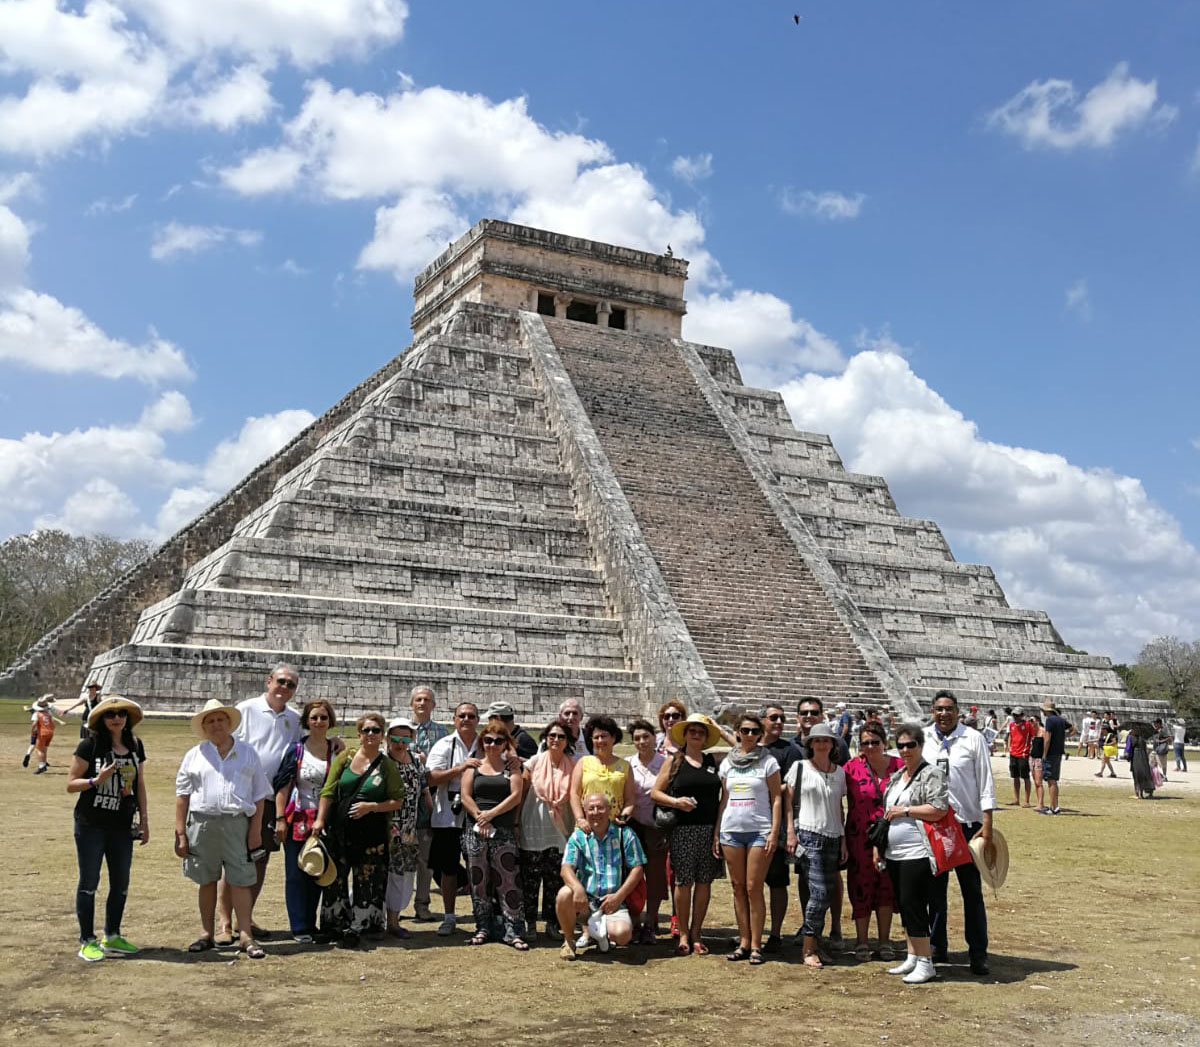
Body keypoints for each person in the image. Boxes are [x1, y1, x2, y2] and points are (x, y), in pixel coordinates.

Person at [174, 699, 271, 958]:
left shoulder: (247, 752)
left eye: (220, 720)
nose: (216, 725)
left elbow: (260, 795)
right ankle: (208, 933)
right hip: (203, 823)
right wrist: (181, 833)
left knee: (240, 880)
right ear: (204, 727)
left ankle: (246, 935)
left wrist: (255, 831)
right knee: (206, 880)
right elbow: (182, 796)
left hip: (237, 823)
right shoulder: (194, 755)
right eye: (211, 721)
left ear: (229, 724)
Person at [218, 663, 304, 941]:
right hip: (241, 797)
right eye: (281, 681)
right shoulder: (246, 710)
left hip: (270, 799)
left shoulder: (294, 718)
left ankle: (246, 919)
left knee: (259, 860)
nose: (285, 688)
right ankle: (224, 924)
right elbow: (225, 747)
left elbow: (305, 747)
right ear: (269, 682)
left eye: (291, 685)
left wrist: (335, 742)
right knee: (232, 861)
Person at [314, 713, 406, 948]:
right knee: (336, 878)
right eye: (366, 730)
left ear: (382, 735)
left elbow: (397, 800)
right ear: (359, 734)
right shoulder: (345, 758)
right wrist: (320, 820)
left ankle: (365, 926)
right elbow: (328, 790)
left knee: (368, 879)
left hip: (372, 831)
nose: (371, 735)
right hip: (341, 829)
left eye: (376, 730)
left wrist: (372, 807)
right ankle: (335, 925)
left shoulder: (387, 765)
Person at [67, 695, 148, 961]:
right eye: (110, 714)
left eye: (121, 714)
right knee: (89, 882)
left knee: (121, 882)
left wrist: (144, 820)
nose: (116, 718)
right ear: (102, 719)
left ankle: (112, 935)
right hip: (91, 823)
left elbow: (140, 785)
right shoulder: (89, 746)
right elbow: (71, 784)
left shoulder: (135, 746)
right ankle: (87, 940)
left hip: (122, 825)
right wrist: (96, 780)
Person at [923, 690, 997, 975]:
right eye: (939, 709)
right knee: (935, 892)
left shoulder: (973, 739)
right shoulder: (925, 739)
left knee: (972, 892)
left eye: (949, 709)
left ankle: (978, 951)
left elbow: (986, 784)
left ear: (958, 711)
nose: (944, 714)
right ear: (933, 711)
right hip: (936, 826)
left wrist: (987, 825)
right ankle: (936, 945)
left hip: (968, 827)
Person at [880, 722, 950, 985]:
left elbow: (939, 808)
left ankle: (926, 962)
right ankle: (913, 954)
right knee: (905, 905)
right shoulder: (899, 776)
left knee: (915, 905)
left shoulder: (931, 773)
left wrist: (906, 811)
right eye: (901, 746)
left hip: (919, 850)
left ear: (920, 745)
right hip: (895, 851)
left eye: (911, 745)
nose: (906, 750)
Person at [651, 713, 724, 956]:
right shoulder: (674, 761)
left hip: (708, 829)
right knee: (683, 882)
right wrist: (676, 801)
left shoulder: (712, 760)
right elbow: (655, 793)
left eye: (701, 731)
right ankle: (682, 932)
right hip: (683, 829)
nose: (696, 734)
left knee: (704, 882)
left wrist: (720, 730)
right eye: (692, 730)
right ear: (685, 734)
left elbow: (742, 749)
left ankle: (696, 932)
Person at [716, 713, 781, 965]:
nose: (751, 735)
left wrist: (774, 831)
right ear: (738, 732)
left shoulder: (769, 762)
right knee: (737, 887)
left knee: (754, 887)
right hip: (731, 830)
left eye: (756, 731)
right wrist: (716, 831)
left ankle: (756, 944)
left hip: (758, 830)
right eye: (746, 730)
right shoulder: (727, 764)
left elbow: (776, 797)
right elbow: (724, 799)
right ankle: (743, 941)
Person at [271, 699, 336, 943]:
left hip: (326, 819)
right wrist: (280, 818)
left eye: (323, 717)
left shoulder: (336, 750)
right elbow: (283, 784)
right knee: (297, 872)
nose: (319, 722)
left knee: (318, 871)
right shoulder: (296, 749)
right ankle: (299, 925)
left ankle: (311, 922)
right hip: (299, 816)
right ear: (307, 721)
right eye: (314, 717)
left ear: (330, 721)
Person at [460, 717, 528, 949]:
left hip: (503, 830)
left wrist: (491, 815)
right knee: (478, 881)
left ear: (505, 743)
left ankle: (513, 930)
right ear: (482, 742)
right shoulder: (474, 766)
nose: (492, 744)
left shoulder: (512, 768)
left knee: (508, 881)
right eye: (488, 740)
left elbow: (515, 796)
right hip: (476, 830)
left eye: (498, 740)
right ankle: (483, 927)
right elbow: (465, 795)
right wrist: (480, 815)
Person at [785, 723, 847, 968]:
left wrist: (843, 841)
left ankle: (815, 943)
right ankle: (808, 946)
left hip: (832, 835)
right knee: (819, 894)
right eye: (817, 740)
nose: (822, 744)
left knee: (826, 893)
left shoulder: (839, 772)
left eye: (826, 740)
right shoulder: (799, 767)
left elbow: (839, 809)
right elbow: (788, 803)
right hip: (809, 833)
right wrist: (790, 831)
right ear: (810, 744)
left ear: (832, 744)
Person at [556, 792, 645, 960]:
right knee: (564, 894)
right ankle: (569, 941)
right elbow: (566, 868)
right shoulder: (578, 837)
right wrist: (578, 888)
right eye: (591, 808)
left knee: (622, 935)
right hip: (585, 901)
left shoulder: (624, 834)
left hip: (614, 901)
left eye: (600, 808)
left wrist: (619, 897)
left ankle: (598, 933)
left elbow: (637, 868)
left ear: (609, 810)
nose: (596, 812)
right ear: (585, 811)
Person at [843, 720, 902, 962]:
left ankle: (885, 940)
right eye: (865, 742)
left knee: (887, 888)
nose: (870, 747)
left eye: (874, 742)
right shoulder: (851, 768)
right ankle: (862, 940)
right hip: (860, 837)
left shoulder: (899, 766)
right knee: (861, 887)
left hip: (892, 836)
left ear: (884, 741)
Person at [425, 701, 481, 937]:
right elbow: (429, 778)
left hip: (478, 814)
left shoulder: (487, 743)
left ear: (478, 719)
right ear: (454, 719)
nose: (466, 719)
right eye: (462, 716)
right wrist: (460, 769)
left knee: (479, 868)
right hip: (447, 815)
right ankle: (449, 916)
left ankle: (483, 917)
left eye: (471, 715)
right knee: (448, 870)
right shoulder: (444, 745)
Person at [520, 719, 576, 941]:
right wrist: (516, 824)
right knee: (531, 881)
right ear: (545, 738)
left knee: (555, 880)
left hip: (560, 829)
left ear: (567, 741)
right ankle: (530, 923)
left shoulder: (573, 765)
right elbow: (522, 795)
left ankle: (553, 923)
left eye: (561, 736)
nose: (555, 740)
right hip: (533, 825)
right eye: (551, 735)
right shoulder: (533, 763)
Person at [759, 702, 804, 953]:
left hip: (774, 823)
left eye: (782, 718)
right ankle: (751, 932)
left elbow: (790, 790)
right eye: (773, 717)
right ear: (761, 720)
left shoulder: (790, 751)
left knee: (777, 882)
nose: (778, 722)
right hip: (750, 821)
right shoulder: (750, 748)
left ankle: (775, 933)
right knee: (748, 883)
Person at [383, 717, 429, 939]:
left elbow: (425, 791)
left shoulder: (417, 761)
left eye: (405, 738)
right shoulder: (382, 761)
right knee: (383, 874)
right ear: (388, 738)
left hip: (409, 829)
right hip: (385, 828)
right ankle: (382, 919)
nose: (400, 743)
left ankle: (394, 918)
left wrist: (429, 819)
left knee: (403, 875)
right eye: (396, 738)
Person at [408, 683, 447, 922]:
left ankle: (422, 904)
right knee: (398, 858)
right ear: (412, 704)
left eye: (426, 700)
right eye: (418, 700)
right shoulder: (400, 728)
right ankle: (392, 905)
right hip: (404, 801)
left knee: (425, 858)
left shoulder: (442, 733)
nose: (422, 703)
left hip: (429, 799)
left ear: (433, 705)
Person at [626, 718, 667, 943]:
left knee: (655, 875)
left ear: (654, 738)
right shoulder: (627, 763)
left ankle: (650, 921)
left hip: (655, 826)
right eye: (637, 739)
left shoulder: (664, 763)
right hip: (632, 825)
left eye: (645, 737)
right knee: (633, 874)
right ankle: (634, 921)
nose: (642, 742)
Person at [570, 715, 636, 828]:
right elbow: (574, 794)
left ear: (613, 738)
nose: (600, 741)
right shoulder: (583, 762)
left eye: (603, 736)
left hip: (614, 826)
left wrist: (623, 817)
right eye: (596, 737)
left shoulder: (625, 766)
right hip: (587, 826)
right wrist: (580, 819)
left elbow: (630, 799)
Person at [1039, 701, 1069, 815]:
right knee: (1054, 780)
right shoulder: (1061, 720)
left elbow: (1047, 738)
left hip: (1051, 753)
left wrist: (1044, 754)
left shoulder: (1050, 720)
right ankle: (1055, 806)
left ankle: (1053, 807)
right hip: (1058, 752)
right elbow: (1073, 729)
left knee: (1050, 780)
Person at [25, 694, 66, 774]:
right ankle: (44, 763)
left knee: (39, 749)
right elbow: (53, 723)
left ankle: (42, 766)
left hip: (42, 733)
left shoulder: (37, 714)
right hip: (50, 732)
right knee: (44, 749)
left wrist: (33, 730)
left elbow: (34, 724)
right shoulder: (48, 713)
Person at [1005, 707, 1036, 807]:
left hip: (1023, 754)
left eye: (1017, 715)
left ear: (1022, 715)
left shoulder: (1027, 724)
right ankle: (1016, 799)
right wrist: (1009, 747)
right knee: (1015, 777)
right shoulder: (1012, 725)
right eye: (1014, 715)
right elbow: (1010, 736)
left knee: (1026, 777)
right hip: (1013, 753)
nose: (1015, 717)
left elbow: (1034, 732)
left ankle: (1026, 800)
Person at [1129, 729, 1156, 800]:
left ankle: (1138, 794)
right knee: (1144, 774)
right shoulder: (1143, 738)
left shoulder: (1132, 738)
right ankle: (1147, 793)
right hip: (1143, 757)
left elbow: (1129, 748)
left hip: (1136, 756)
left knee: (1137, 775)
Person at [1028, 714, 1046, 812]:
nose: (1030, 722)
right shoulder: (1032, 731)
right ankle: (1039, 801)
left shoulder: (1042, 731)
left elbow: (1046, 744)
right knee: (1035, 781)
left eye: (1032, 720)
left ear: (1037, 721)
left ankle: (1041, 803)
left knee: (1039, 782)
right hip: (1032, 757)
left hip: (1039, 758)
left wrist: (1044, 756)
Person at [1096, 714, 1120, 779]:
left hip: (1107, 750)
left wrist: (1108, 744)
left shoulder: (1110, 735)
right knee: (1107, 762)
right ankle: (1113, 773)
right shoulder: (1102, 734)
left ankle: (1101, 773)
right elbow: (1098, 740)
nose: (1101, 730)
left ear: (1105, 729)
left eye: (1102, 729)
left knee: (1103, 761)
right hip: (1104, 750)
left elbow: (1114, 742)